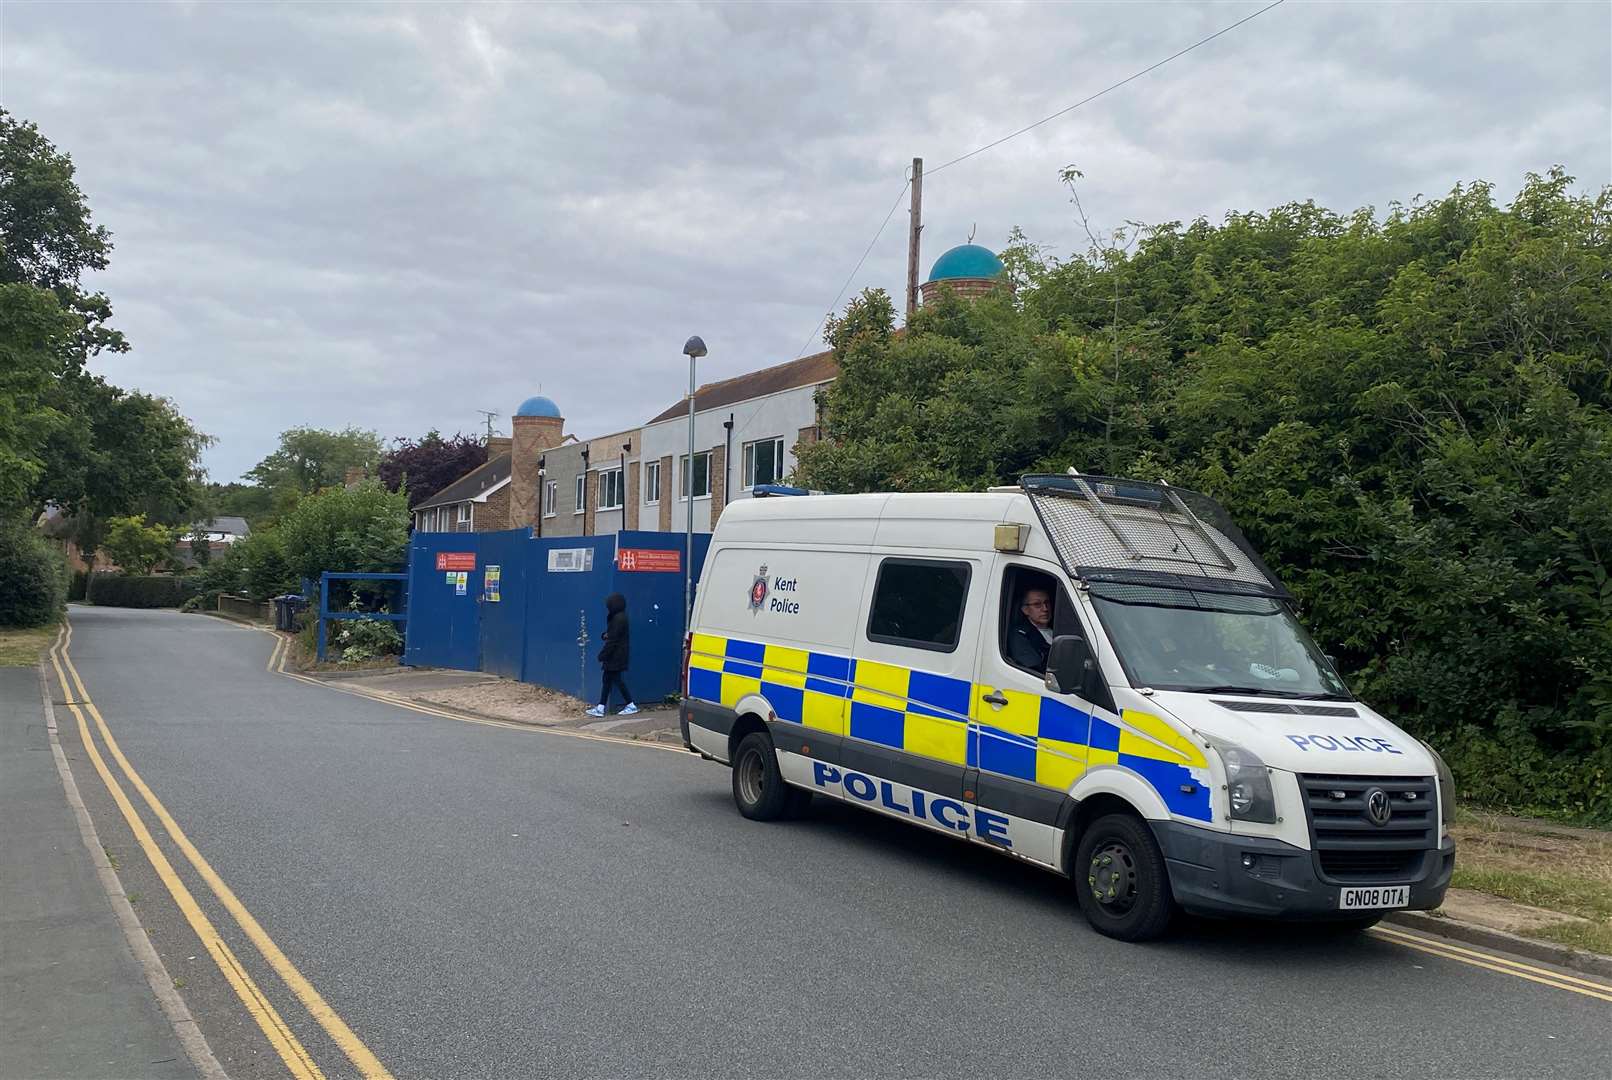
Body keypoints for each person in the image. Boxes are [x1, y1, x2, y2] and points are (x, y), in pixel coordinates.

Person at [586, 593, 638, 717]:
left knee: (616, 680)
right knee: (608, 679)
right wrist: (606, 634)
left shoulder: (618, 619)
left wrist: (602, 655)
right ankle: (601, 707)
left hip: (615, 655)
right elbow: (613, 635)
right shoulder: (619, 617)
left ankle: (630, 704)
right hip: (616, 655)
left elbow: (613, 641)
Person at [1007, 586, 1053, 674]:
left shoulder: (1060, 629)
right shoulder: (1019, 635)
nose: (1045, 609)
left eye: (1047, 603)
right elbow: (1035, 668)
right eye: (1037, 604)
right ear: (1025, 610)